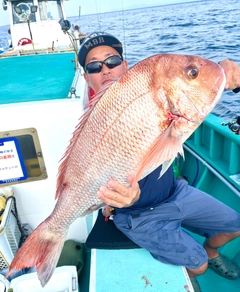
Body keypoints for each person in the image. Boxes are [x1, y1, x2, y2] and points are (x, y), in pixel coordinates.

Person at [78, 32, 240, 291]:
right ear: (87, 77)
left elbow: (186, 107)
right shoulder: (93, 127)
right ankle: (197, 267)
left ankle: (211, 251)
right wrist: (116, 202)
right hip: (137, 214)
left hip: (174, 191)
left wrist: (228, 76)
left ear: (125, 65)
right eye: (94, 66)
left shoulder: (154, 97)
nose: (105, 69)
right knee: (197, 266)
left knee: (235, 225)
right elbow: (91, 181)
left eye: (112, 60)